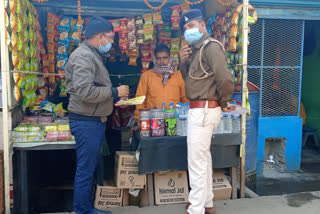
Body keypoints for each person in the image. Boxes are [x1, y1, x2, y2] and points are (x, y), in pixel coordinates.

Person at [65, 16, 129, 214]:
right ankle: (82, 210)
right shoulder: (84, 56)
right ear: (100, 36)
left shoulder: (91, 54)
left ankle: (86, 207)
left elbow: (94, 89)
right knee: (85, 169)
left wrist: (112, 99)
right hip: (86, 122)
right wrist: (114, 92)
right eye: (109, 38)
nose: (111, 43)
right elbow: (85, 92)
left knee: (89, 167)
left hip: (93, 120)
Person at [179, 9, 235, 214]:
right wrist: (183, 62)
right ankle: (207, 202)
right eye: (185, 28)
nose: (188, 30)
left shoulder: (211, 47)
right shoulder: (195, 50)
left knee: (196, 161)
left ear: (202, 25)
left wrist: (225, 101)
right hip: (201, 110)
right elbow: (191, 81)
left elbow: (225, 79)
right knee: (203, 158)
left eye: (191, 25)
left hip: (204, 110)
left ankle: (195, 208)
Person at [133, 44, 189, 122]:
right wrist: (139, 120)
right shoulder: (146, 76)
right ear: (154, 59)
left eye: (164, 58)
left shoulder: (178, 75)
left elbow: (185, 99)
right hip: (153, 121)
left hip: (174, 119)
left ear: (170, 58)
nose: (162, 61)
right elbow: (140, 100)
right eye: (158, 58)